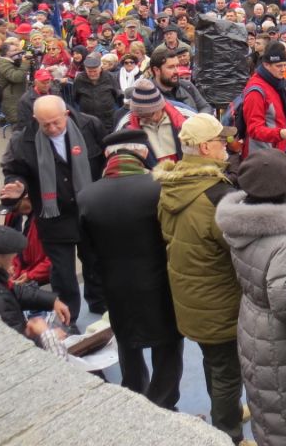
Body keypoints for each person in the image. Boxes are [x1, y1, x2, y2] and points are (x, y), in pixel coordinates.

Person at [216, 150, 286, 446]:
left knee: (268, 411)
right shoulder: (284, 241)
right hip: (282, 343)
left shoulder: (238, 225)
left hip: (252, 323)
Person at [78, 129, 183, 410]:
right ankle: (163, 404)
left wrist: (99, 289)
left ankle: (136, 397)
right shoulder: (159, 189)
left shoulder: (87, 196)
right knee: (168, 348)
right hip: (162, 285)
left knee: (128, 343)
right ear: (143, 153)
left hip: (117, 287)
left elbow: (87, 256)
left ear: (109, 157)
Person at [156, 114, 244, 444]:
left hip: (191, 295)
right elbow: (239, 246)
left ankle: (228, 412)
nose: (227, 146)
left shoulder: (173, 183)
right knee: (226, 371)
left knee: (214, 362)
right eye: (222, 141)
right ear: (206, 147)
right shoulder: (215, 196)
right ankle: (229, 433)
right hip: (219, 300)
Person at [0, 95, 106, 323]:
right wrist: (17, 186)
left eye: (57, 122)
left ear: (66, 113)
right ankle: (69, 317)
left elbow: (106, 158)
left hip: (90, 210)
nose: (52, 128)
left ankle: (100, 304)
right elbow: (14, 170)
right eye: (45, 124)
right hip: (54, 215)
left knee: (95, 262)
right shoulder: (22, 140)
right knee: (63, 273)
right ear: (35, 119)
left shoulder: (89, 125)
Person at [241, 41, 286, 157]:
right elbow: (254, 129)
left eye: (284, 65)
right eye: (278, 66)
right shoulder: (256, 90)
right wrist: (280, 133)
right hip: (260, 158)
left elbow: (278, 119)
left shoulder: (277, 82)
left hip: (275, 153)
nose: (283, 69)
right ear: (266, 65)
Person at [72, 51, 122, 132]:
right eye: (89, 71)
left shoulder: (109, 77)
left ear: (100, 68)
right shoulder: (79, 79)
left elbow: (116, 95)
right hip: (87, 120)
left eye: (95, 71)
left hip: (107, 120)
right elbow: (75, 97)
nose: (92, 74)